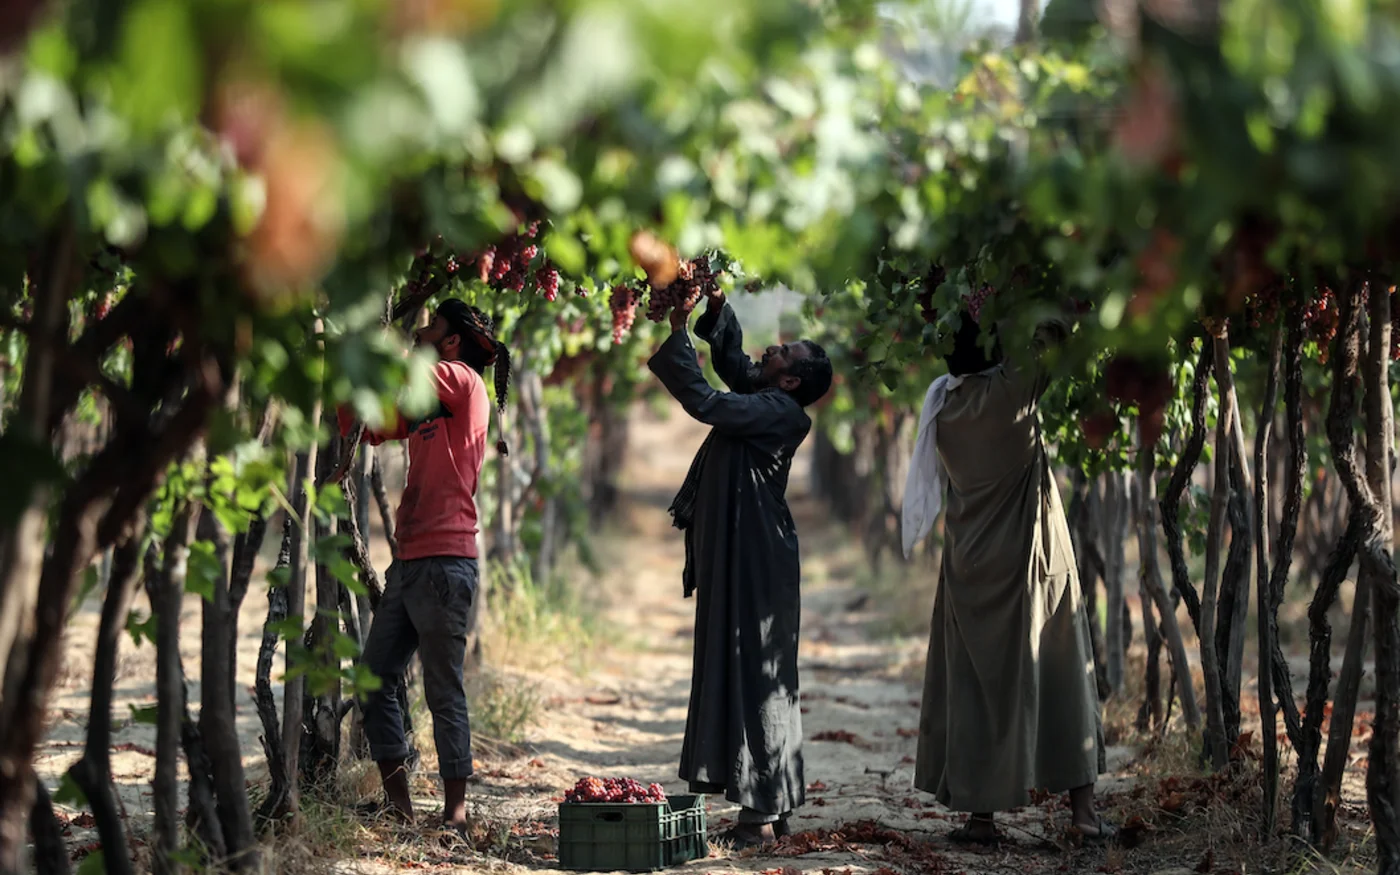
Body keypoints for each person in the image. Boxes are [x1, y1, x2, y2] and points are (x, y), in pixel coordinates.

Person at [902, 305, 1112, 845]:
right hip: (1029, 560)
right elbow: (1053, 331)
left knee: (975, 686)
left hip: (970, 564)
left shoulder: (944, 409)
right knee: (1062, 674)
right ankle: (1084, 817)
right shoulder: (1009, 396)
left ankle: (980, 819)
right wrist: (1026, 288)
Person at [648, 288, 833, 848]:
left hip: (758, 559)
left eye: (783, 353)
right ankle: (771, 809)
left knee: (757, 673)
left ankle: (757, 817)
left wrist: (679, 332)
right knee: (745, 668)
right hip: (747, 555)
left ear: (791, 382)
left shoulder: (778, 412)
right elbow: (735, 365)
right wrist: (711, 307)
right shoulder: (771, 396)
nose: (771, 350)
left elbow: (706, 400)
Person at [338, 299, 511, 834]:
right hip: (410, 562)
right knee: (374, 680)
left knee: (443, 691)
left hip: (447, 561)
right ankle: (400, 808)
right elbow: (370, 424)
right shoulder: (428, 399)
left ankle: (455, 817)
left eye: (432, 325)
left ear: (454, 341)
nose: (421, 331)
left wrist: (364, 338)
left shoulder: (461, 381)